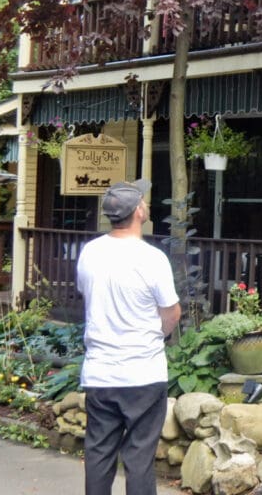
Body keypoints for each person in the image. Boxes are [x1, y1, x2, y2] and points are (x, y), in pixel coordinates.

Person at [76, 179, 181, 495]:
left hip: (100, 371)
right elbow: (172, 313)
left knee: (98, 453)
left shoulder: (90, 253)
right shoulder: (152, 258)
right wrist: (158, 337)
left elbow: (87, 295)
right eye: (144, 200)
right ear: (138, 211)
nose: (147, 204)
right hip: (143, 373)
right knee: (139, 458)